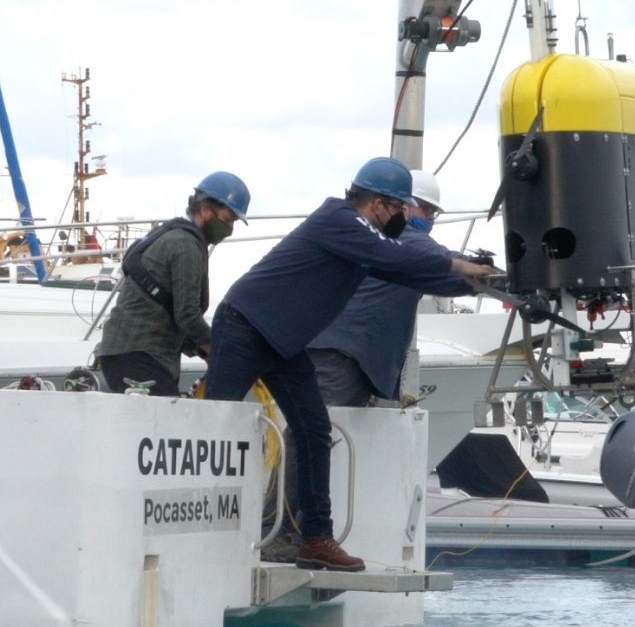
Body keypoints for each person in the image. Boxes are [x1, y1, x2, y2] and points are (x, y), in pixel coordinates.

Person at [206, 158, 497, 572]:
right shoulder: (339, 219)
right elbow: (396, 257)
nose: (404, 219)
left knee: (314, 432)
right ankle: (203, 530)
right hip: (245, 326)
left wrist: (473, 282)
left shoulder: (362, 241)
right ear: (378, 205)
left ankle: (315, 539)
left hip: (285, 342)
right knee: (213, 424)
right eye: (400, 210)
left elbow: (404, 270)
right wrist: (459, 266)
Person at [93, 172, 250, 395]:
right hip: (140, 356)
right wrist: (219, 350)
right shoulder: (186, 246)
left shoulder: (171, 235)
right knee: (164, 427)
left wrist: (200, 347)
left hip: (126, 353)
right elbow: (187, 315)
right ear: (206, 209)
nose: (229, 228)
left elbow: (165, 311)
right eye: (227, 220)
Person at [308, 169, 453, 409]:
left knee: (330, 435)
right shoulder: (405, 238)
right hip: (341, 357)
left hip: (343, 357)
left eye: (433, 212)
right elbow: (446, 264)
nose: (429, 217)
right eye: (425, 208)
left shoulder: (381, 242)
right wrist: (498, 278)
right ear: (403, 206)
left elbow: (440, 275)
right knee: (319, 433)